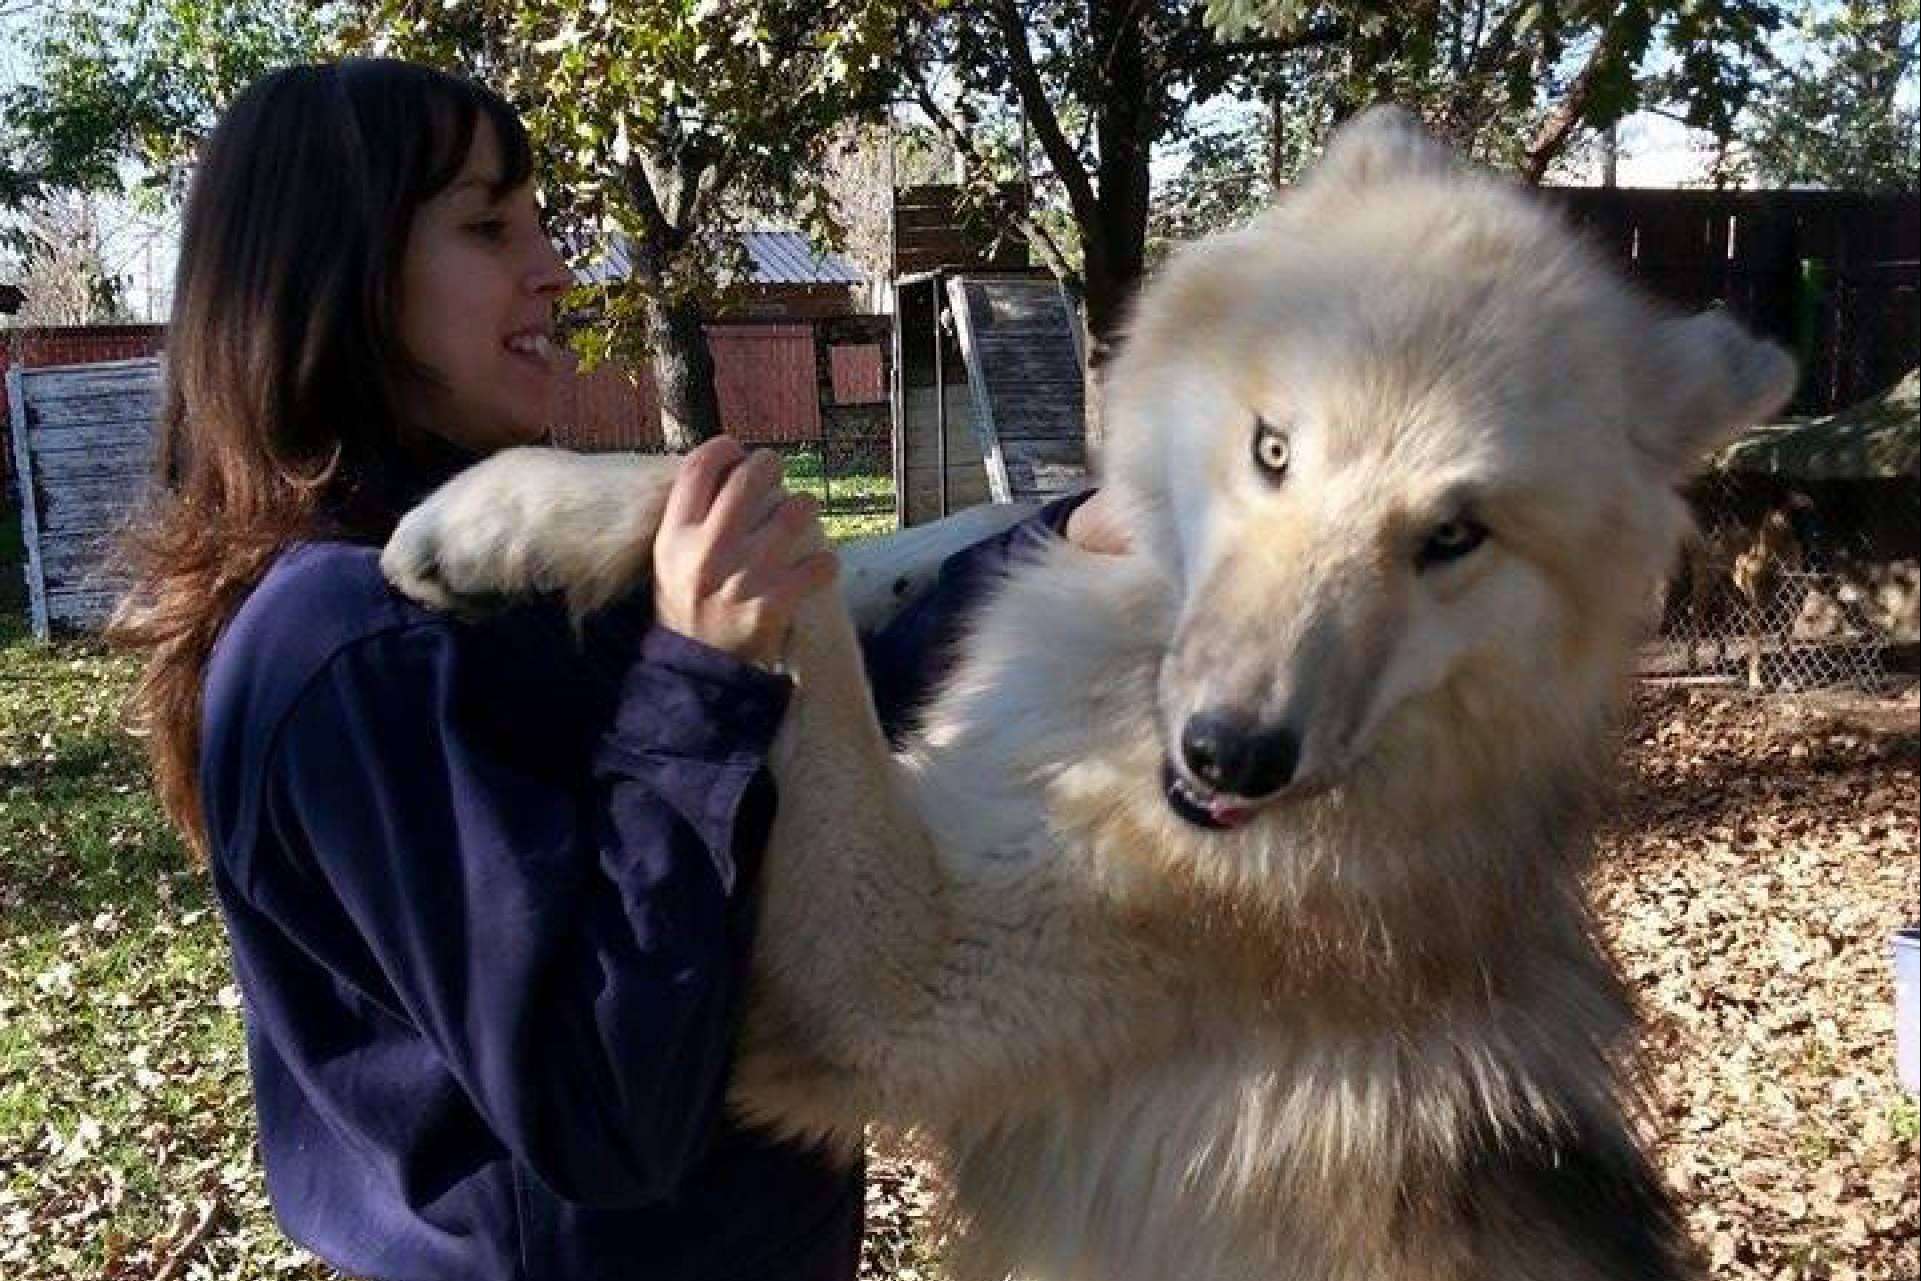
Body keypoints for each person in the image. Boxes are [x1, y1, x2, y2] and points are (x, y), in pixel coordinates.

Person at [109, 58, 1119, 1281]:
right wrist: (700, 675)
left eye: (542, 223)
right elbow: (598, 1107)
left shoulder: (504, 574)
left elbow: (816, 716)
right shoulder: (347, 646)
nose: (551, 268)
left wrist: (1054, 548)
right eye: (488, 227)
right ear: (339, 276)